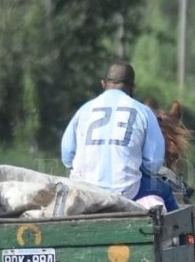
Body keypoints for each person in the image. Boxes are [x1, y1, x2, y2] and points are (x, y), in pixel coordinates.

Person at [61, 61, 179, 211]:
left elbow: (67, 157)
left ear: (103, 84)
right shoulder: (143, 112)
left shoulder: (84, 110)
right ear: (132, 88)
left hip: (84, 189)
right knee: (166, 191)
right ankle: (185, 235)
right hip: (126, 191)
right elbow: (153, 164)